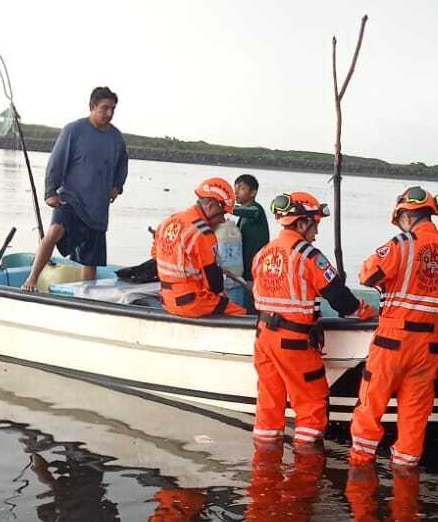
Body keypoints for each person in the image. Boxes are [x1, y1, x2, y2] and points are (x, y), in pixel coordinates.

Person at [348, 186, 438, 468]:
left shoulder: (400, 245)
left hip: (391, 343)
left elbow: (367, 275)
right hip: (429, 347)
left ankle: (359, 472)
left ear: (405, 215)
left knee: (370, 409)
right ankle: (405, 481)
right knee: (414, 418)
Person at [251, 192, 374, 447]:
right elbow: (340, 299)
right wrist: (367, 312)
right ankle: (305, 473)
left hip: (263, 338)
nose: (316, 232)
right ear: (303, 222)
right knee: (312, 404)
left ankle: (263, 471)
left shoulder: (263, 253)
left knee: (269, 404)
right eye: (315, 224)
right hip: (294, 342)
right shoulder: (308, 255)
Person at [22, 86, 129, 291]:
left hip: (97, 206)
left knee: (92, 259)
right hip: (70, 199)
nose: (109, 113)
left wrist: (117, 186)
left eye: (113, 109)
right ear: (92, 107)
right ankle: (32, 278)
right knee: (54, 231)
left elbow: (123, 164)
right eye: (105, 108)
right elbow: (56, 162)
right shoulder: (73, 130)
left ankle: (86, 296)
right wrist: (50, 192)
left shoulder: (116, 137)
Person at [152, 177, 247, 317]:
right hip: (191, 302)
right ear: (211, 207)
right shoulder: (203, 233)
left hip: (167, 299)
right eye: (222, 214)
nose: (222, 220)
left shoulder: (169, 221)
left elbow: (155, 255)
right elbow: (214, 282)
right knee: (240, 312)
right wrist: (222, 298)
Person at [233, 174, 269, 277]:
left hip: (255, 270)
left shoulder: (256, 209)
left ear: (253, 192)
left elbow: (252, 212)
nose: (236, 192)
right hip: (246, 270)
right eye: (235, 188)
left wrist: (227, 207)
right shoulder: (243, 214)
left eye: (241, 189)